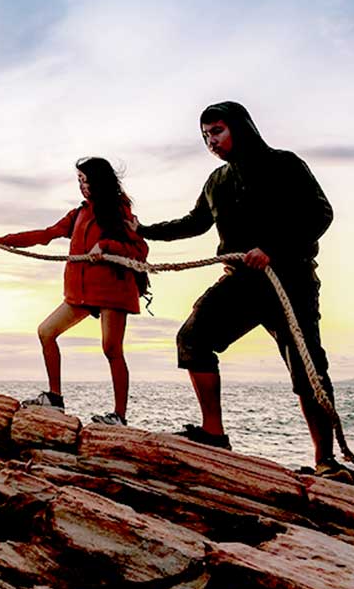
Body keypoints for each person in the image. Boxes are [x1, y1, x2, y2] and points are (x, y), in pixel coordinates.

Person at [132, 101, 343, 477]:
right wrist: (142, 230)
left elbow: (320, 213)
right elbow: (193, 223)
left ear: (240, 127)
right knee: (193, 337)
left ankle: (325, 461)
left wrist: (272, 250)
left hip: (290, 281)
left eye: (217, 131)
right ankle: (214, 434)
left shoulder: (285, 164)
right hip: (241, 284)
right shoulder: (217, 181)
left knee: (307, 367)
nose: (210, 141)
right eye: (205, 135)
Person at [0, 157, 148, 426]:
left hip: (113, 289)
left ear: (100, 180)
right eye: (79, 181)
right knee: (46, 332)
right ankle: (55, 399)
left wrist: (107, 245)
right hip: (81, 293)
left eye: (86, 180)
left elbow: (140, 251)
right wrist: (6, 241)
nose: (82, 187)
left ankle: (119, 416)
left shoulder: (121, 210)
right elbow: (46, 234)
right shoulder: (79, 213)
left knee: (111, 349)